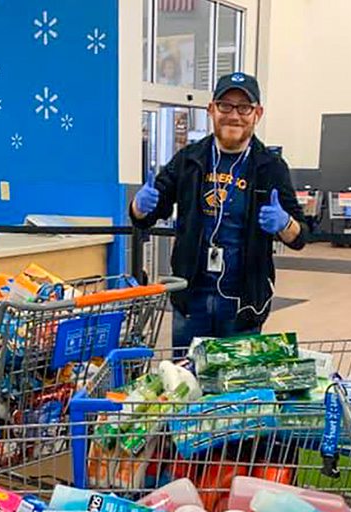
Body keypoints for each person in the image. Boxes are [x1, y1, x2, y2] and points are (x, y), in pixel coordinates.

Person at [129, 72, 308, 348]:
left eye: (244, 107)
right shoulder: (189, 159)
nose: (234, 115)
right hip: (191, 299)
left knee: (237, 386)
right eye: (225, 106)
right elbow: (147, 216)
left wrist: (284, 224)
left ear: (257, 113)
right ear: (211, 109)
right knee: (185, 381)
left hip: (243, 304)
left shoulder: (270, 167)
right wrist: (139, 206)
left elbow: (301, 236)